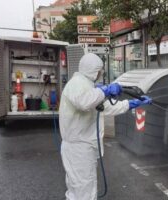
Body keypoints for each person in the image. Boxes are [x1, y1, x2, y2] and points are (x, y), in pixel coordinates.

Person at [59, 53, 151, 200]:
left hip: (84, 148)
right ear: (93, 70)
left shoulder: (87, 86)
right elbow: (84, 102)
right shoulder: (77, 84)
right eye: (100, 70)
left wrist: (132, 103)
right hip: (78, 149)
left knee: (82, 188)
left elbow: (107, 107)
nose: (101, 74)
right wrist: (104, 90)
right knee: (83, 191)